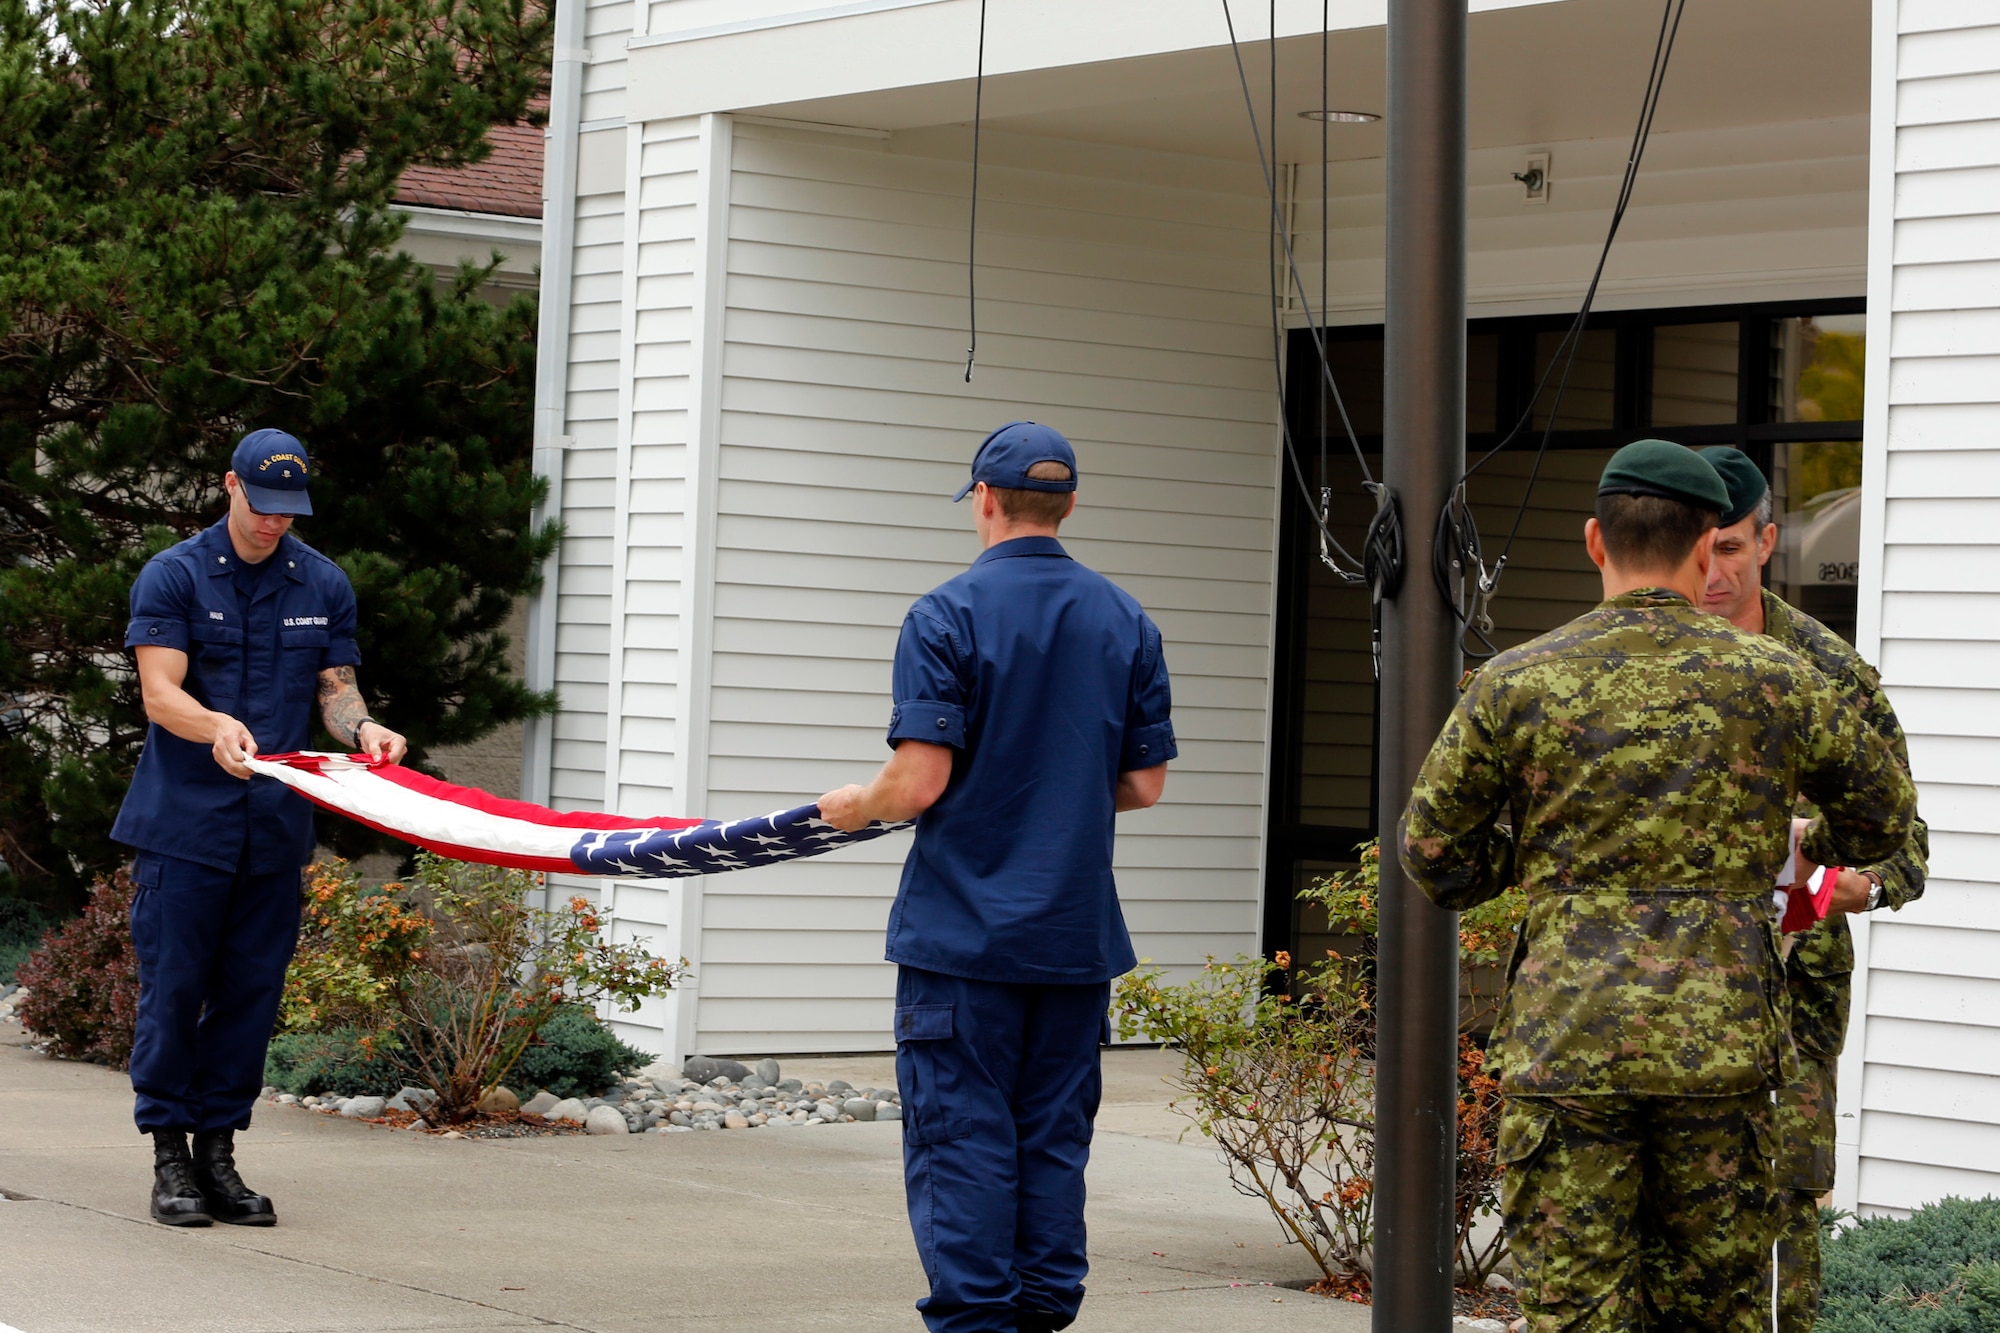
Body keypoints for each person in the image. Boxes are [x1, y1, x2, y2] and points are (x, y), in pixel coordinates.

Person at [1398, 439, 1917, 1332]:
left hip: (1568, 1044)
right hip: (1719, 1051)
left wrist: (1548, 870)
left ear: (1596, 540)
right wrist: (1783, 845)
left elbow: (1432, 853)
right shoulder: (1781, 680)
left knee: (1575, 1312)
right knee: (1712, 1312)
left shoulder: (1516, 680)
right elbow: (1884, 822)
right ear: (1707, 536)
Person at [817, 421, 1174, 1333]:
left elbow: (919, 782)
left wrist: (855, 804)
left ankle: (978, 1326)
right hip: (1072, 937)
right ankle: (1046, 1311)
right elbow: (1141, 783)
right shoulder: (1127, 619)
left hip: (964, 937)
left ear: (983, 498)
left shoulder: (946, 614)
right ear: (1069, 505)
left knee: (962, 1137)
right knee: (1051, 1137)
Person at [112, 428, 407, 1227]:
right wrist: (213, 723)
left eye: (289, 511)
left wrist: (364, 729)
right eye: (263, 506)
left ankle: (219, 1154)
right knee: (174, 992)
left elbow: (334, 690)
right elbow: (158, 692)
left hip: (274, 829)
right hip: (185, 826)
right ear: (230, 486)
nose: (275, 523)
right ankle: (169, 1156)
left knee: (250, 994)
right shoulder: (173, 574)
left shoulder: (322, 583)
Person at [1699, 446, 1927, 1332]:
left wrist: (1836, 887)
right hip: (1662, 988)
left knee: (1784, 1217)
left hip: (1791, 997)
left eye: (1730, 547)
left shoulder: (1829, 673)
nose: (1713, 570)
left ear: (1767, 541)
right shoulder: (1636, 660)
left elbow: (1908, 847)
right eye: (1698, 547)